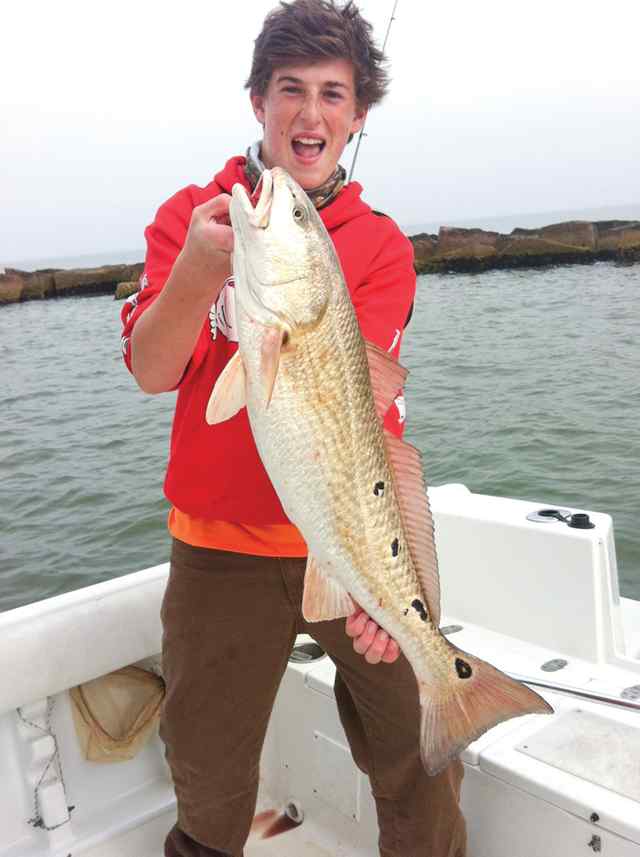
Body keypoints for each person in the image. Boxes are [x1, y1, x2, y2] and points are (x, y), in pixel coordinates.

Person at [121, 2, 466, 855]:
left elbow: (364, 410)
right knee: (204, 767)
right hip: (219, 549)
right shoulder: (195, 219)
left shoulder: (380, 246)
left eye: (333, 94)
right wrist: (203, 273)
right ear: (257, 100)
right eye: (290, 90)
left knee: (421, 766)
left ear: (356, 116)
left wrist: (389, 588)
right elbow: (152, 370)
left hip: (349, 543)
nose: (310, 114)